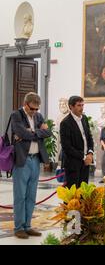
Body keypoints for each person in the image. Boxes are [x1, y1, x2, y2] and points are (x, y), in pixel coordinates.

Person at [10, 92, 51, 239]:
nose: (34, 112)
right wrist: (35, 132)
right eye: (32, 109)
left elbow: (48, 132)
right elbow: (22, 133)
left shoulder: (38, 117)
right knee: (20, 195)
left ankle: (27, 226)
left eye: (36, 109)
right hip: (22, 160)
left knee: (31, 196)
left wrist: (32, 131)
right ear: (25, 103)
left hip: (35, 159)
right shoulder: (16, 115)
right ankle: (18, 227)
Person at [60, 96, 94, 188]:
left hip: (85, 162)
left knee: (83, 192)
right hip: (73, 163)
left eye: (83, 105)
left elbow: (89, 138)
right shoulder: (65, 123)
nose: (82, 108)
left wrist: (90, 153)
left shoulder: (84, 118)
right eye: (79, 105)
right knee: (72, 194)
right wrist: (84, 157)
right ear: (71, 106)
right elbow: (66, 147)